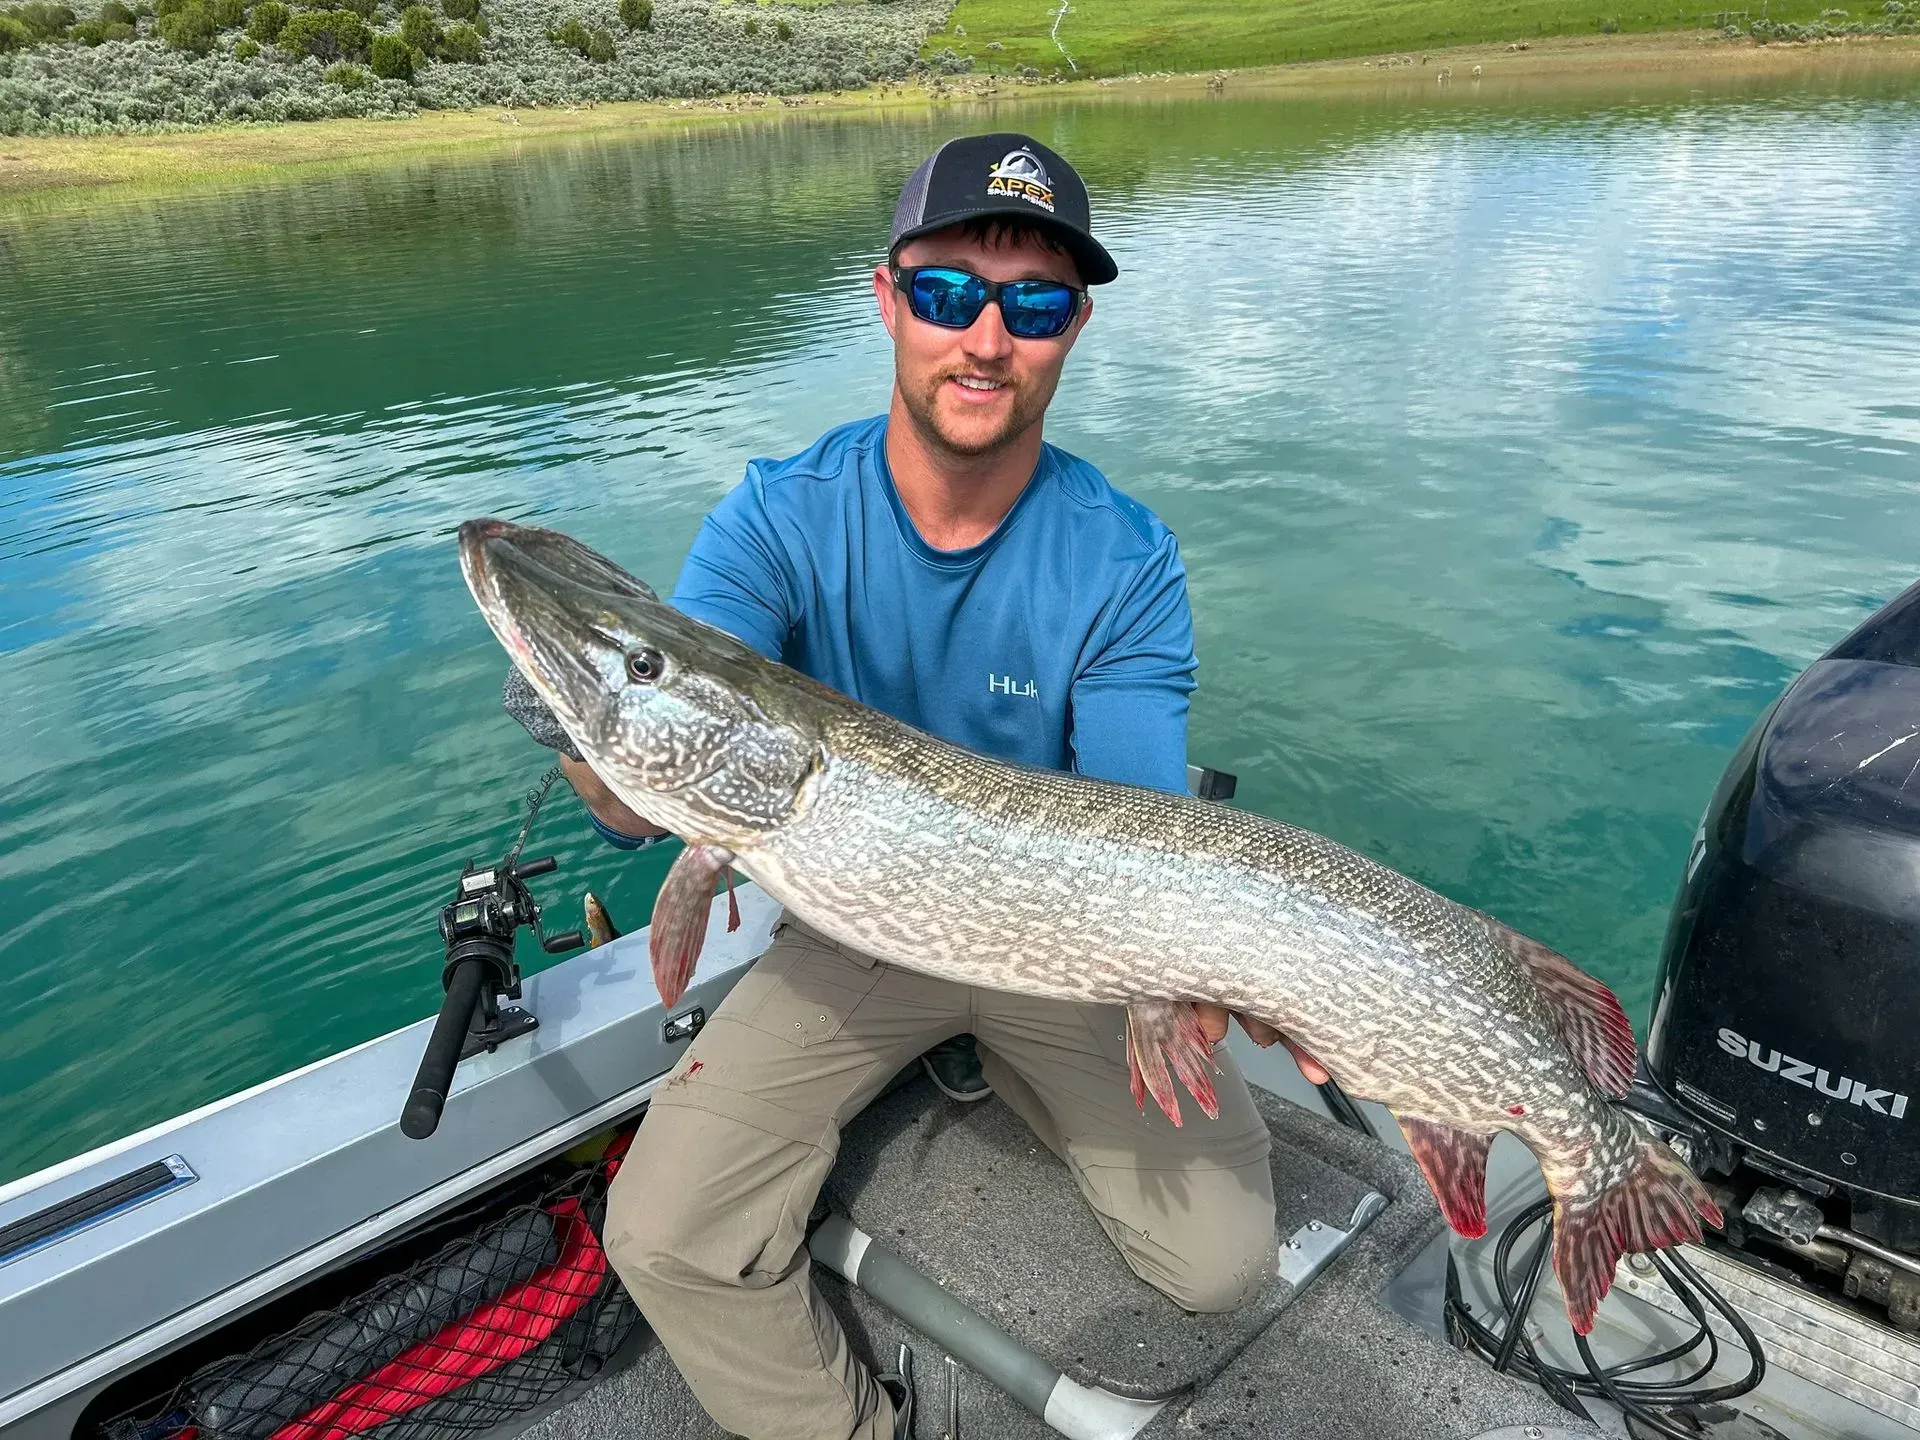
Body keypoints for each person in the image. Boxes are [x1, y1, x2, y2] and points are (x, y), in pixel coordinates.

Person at [504, 132, 1320, 1440]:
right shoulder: (779, 515)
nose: (984, 338)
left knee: (1218, 1263)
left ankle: (1002, 1055)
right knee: (662, 1233)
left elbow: (1139, 839)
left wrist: (1232, 978)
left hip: (1076, 944)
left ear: (1073, 328)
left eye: (1032, 304)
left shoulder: (1122, 557)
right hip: (850, 917)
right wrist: (585, 720)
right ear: (887, 298)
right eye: (947, 294)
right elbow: (655, 761)